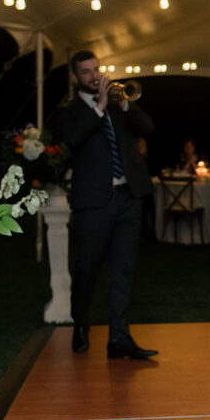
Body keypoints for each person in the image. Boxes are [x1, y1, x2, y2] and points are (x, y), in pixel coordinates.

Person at [56, 50, 158, 359]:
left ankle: (119, 338)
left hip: (128, 198)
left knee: (123, 270)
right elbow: (71, 141)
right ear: (75, 77)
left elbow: (148, 128)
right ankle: (81, 325)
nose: (94, 76)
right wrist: (98, 108)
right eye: (86, 72)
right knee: (87, 268)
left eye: (96, 70)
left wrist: (124, 102)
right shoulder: (70, 111)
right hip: (93, 202)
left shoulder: (119, 105)